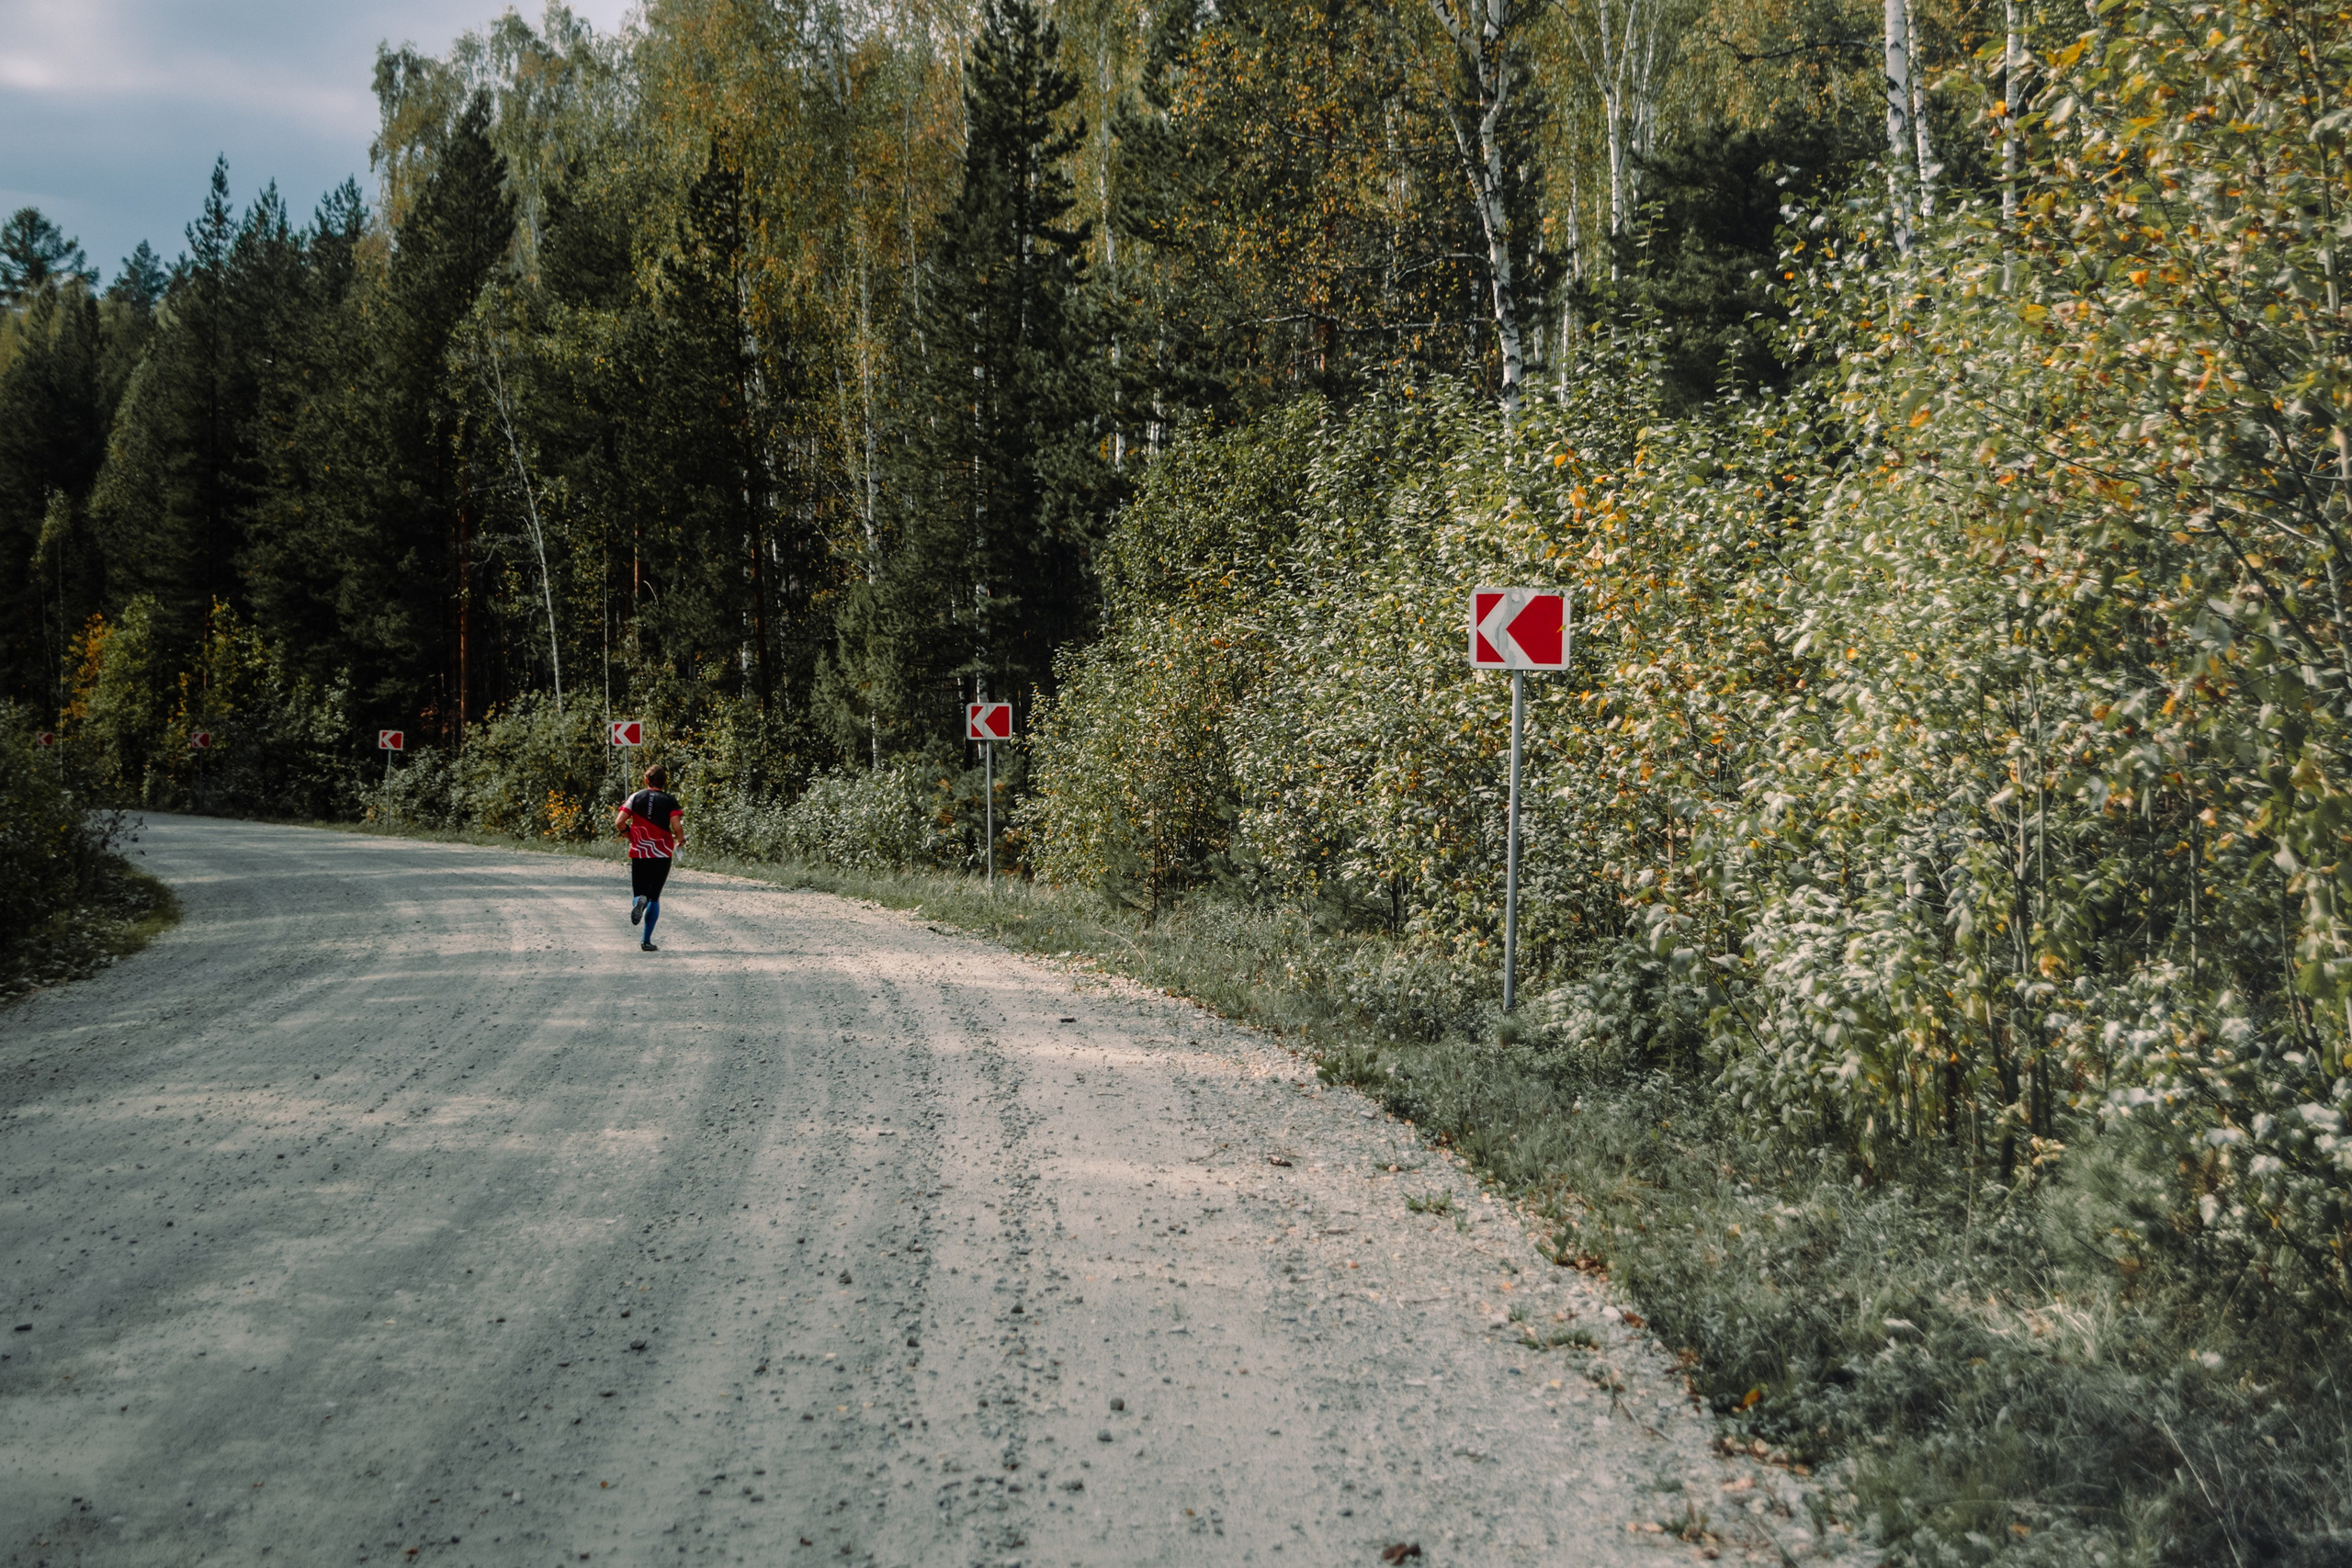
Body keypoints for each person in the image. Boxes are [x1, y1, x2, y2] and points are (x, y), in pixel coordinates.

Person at [614, 764, 684, 952]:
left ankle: (639, 902)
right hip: (662, 853)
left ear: (646, 780)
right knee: (655, 897)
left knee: (640, 893)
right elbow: (677, 826)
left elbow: (619, 821)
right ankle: (646, 940)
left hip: (640, 851)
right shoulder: (670, 800)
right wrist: (681, 840)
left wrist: (631, 837)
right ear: (664, 782)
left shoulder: (635, 797)